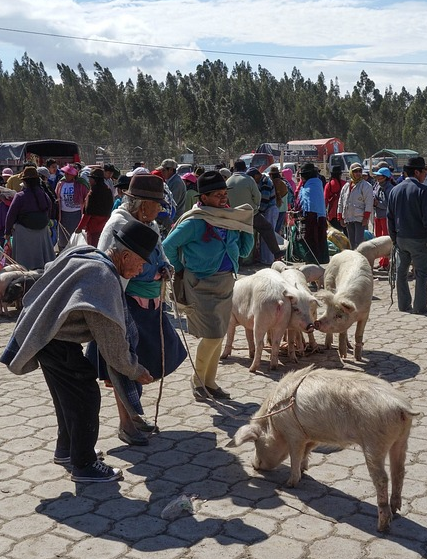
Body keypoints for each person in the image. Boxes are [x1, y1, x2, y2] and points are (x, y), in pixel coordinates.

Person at [0, 220, 158, 482]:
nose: (141, 269)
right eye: (140, 263)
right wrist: (135, 370)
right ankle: (84, 464)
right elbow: (112, 345)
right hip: (54, 340)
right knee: (85, 396)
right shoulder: (103, 278)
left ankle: (67, 450)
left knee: (67, 398)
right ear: (126, 255)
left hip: (47, 336)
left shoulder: (89, 254)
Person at [97, 173, 187, 444]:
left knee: (143, 366)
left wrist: (165, 267)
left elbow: (158, 251)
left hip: (151, 308)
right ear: (141, 203)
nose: (160, 209)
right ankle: (126, 426)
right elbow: (108, 269)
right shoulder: (118, 225)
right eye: (156, 204)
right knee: (124, 368)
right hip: (126, 307)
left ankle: (135, 416)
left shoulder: (149, 224)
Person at [163, 170, 254, 401]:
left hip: (226, 283)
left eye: (225, 193)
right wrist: (180, 269)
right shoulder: (196, 222)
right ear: (203, 198)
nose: (223, 198)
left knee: (220, 333)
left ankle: (210, 383)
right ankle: (198, 381)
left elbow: (244, 251)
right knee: (213, 335)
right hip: (201, 284)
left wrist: (246, 226)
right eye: (217, 195)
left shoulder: (229, 217)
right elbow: (167, 246)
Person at [387, 156, 427, 314]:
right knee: (422, 273)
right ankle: (420, 307)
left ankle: (403, 306)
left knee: (401, 272)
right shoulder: (423, 191)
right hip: (419, 239)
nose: (425, 175)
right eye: (424, 171)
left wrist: (394, 238)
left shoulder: (395, 190)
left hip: (400, 239)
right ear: (417, 172)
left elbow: (389, 217)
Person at [226, 160, 286, 261]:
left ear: (234, 168)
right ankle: (277, 253)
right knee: (267, 228)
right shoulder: (249, 180)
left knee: (234, 237)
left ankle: (235, 259)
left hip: (234, 215)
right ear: (245, 168)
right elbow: (258, 197)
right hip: (250, 213)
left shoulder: (228, 181)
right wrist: (255, 207)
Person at [4, 167, 55, 269]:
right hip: (42, 231)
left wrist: (7, 232)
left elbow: (11, 215)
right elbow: (49, 210)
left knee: (24, 262)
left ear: (24, 182)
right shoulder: (44, 195)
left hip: (23, 232)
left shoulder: (20, 196)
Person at [296, 162, 329, 264]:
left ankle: (312, 267)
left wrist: (298, 215)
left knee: (310, 243)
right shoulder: (315, 184)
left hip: (312, 220)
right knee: (316, 243)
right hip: (317, 218)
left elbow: (310, 207)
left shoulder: (311, 187)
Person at [246, 167, 280, 265]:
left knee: (268, 235)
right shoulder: (261, 181)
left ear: (257, 175)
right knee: (265, 236)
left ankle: (268, 260)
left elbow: (264, 200)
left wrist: (258, 212)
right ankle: (264, 259)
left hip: (269, 209)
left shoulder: (265, 182)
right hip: (265, 210)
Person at [337, 162, 373, 249]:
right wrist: (340, 216)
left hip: (360, 217)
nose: (358, 173)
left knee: (359, 242)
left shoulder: (366, 186)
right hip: (349, 217)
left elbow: (369, 203)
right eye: (355, 171)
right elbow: (341, 202)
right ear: (351, 172)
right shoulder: (346, 186)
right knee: (351, 241)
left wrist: (366, 218)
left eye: (360, 171)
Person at [75, 168, 114, 247]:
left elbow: (88, 213)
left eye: (90, 179)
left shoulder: (92, 193)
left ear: (95, 180)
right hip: (105, 227)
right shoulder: (108, 190)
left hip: (93, 228)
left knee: (93, 250)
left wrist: (80, 227)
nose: (89, 181)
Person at [56, 164, 89, 251]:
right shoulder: (61, 183)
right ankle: (63, 252)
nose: (66, 175)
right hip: (63, 214)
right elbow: (56, 196)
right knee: (63, 237)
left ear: (73, 175)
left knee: (76, 235)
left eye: (68, 174)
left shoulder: (81, 184)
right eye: (65, 173)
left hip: (77, 214)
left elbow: (86, 198)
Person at [372, 167, 395, 271]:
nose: (377, 177)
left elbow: (387, 204)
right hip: (378, 215)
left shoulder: (389, 188)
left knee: (385, 240)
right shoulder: (377, 186)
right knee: (378, 239)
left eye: (379, 176)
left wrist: (378, 203)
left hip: (385, 216)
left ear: (384, 177)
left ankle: (386, 263)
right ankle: (381, 262)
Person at [324, 165, 346, 231]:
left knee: (334, 234)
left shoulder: (329, 185)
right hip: (344, 213)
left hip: (332, 213)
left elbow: (325, 199)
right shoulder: (345, 184)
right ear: (340, 174)